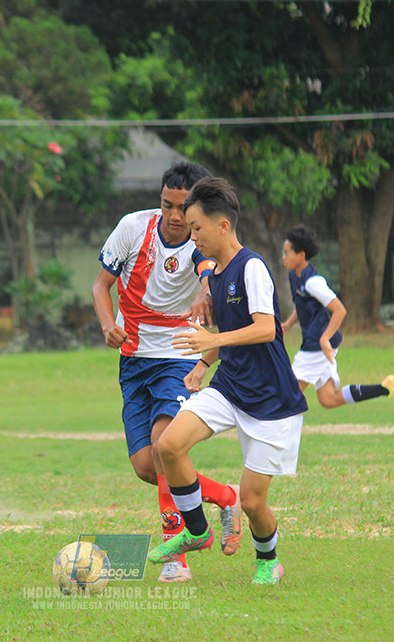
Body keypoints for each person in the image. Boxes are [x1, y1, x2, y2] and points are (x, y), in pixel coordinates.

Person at [146, 177, 308, 585]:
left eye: (197, 227)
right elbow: (227, 331)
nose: (191, 234)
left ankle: (269, 559)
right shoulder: (215, 273)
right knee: (168, 445)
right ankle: (197, 530)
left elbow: (266, 328)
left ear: (222, 226)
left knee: (253, 502)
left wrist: (212, 339)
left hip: (273, 400)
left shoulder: (251, 267)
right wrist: (204, 363)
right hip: (230, 386)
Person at [92, 162, 242, 584]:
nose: (175, 217)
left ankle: (178, 555)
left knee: (163, 447)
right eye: (167, 205)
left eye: (183, 208)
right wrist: (108, 325)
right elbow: (99, 286)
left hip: (177, 355)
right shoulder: (132, 228)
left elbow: (209, 272)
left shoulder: (201, 238)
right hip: (132, 358)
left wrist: (206, 293)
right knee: (146, 464)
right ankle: (223, 496)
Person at [280, 225, 394, 408]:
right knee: (328, 399)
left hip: (317, 345)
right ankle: (386, 388)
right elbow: (303, 305)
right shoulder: (294, 276)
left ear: (301, 255)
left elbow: (339, 310)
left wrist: (325, 339)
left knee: (287, 394)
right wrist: (288, 324)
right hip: (317, 342)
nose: (283, 257)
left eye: (287, 252)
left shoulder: (313, 282)